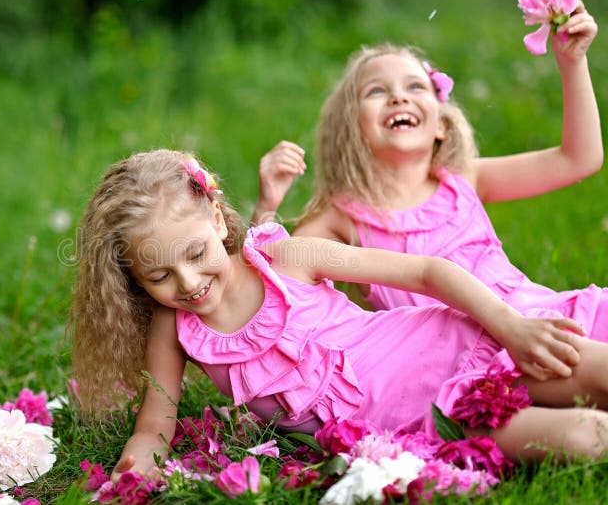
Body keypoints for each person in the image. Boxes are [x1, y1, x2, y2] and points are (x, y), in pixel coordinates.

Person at [70, 148, 608, 482]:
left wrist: (510, 326)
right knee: (587, 437)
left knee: (597, 372)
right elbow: (155, 427)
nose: (188, 285)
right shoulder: (176, 331)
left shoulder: (284, 257)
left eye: (195, 255)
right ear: (132, 280)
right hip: (419, 427)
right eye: (159, 278)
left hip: (448, 346)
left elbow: (426, 272)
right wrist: (137, 462)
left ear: (215, 215)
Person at [254, 2, 604, 331]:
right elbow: (276, 287)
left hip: (543, 317)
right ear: (351, 130)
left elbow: (579, 159)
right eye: (376, 91)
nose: (398, 97)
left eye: (416, 86)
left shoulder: (465, 180)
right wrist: (267, 206)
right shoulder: (343, 218)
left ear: (441, 125)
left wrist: (572, 62)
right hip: (460, 356)